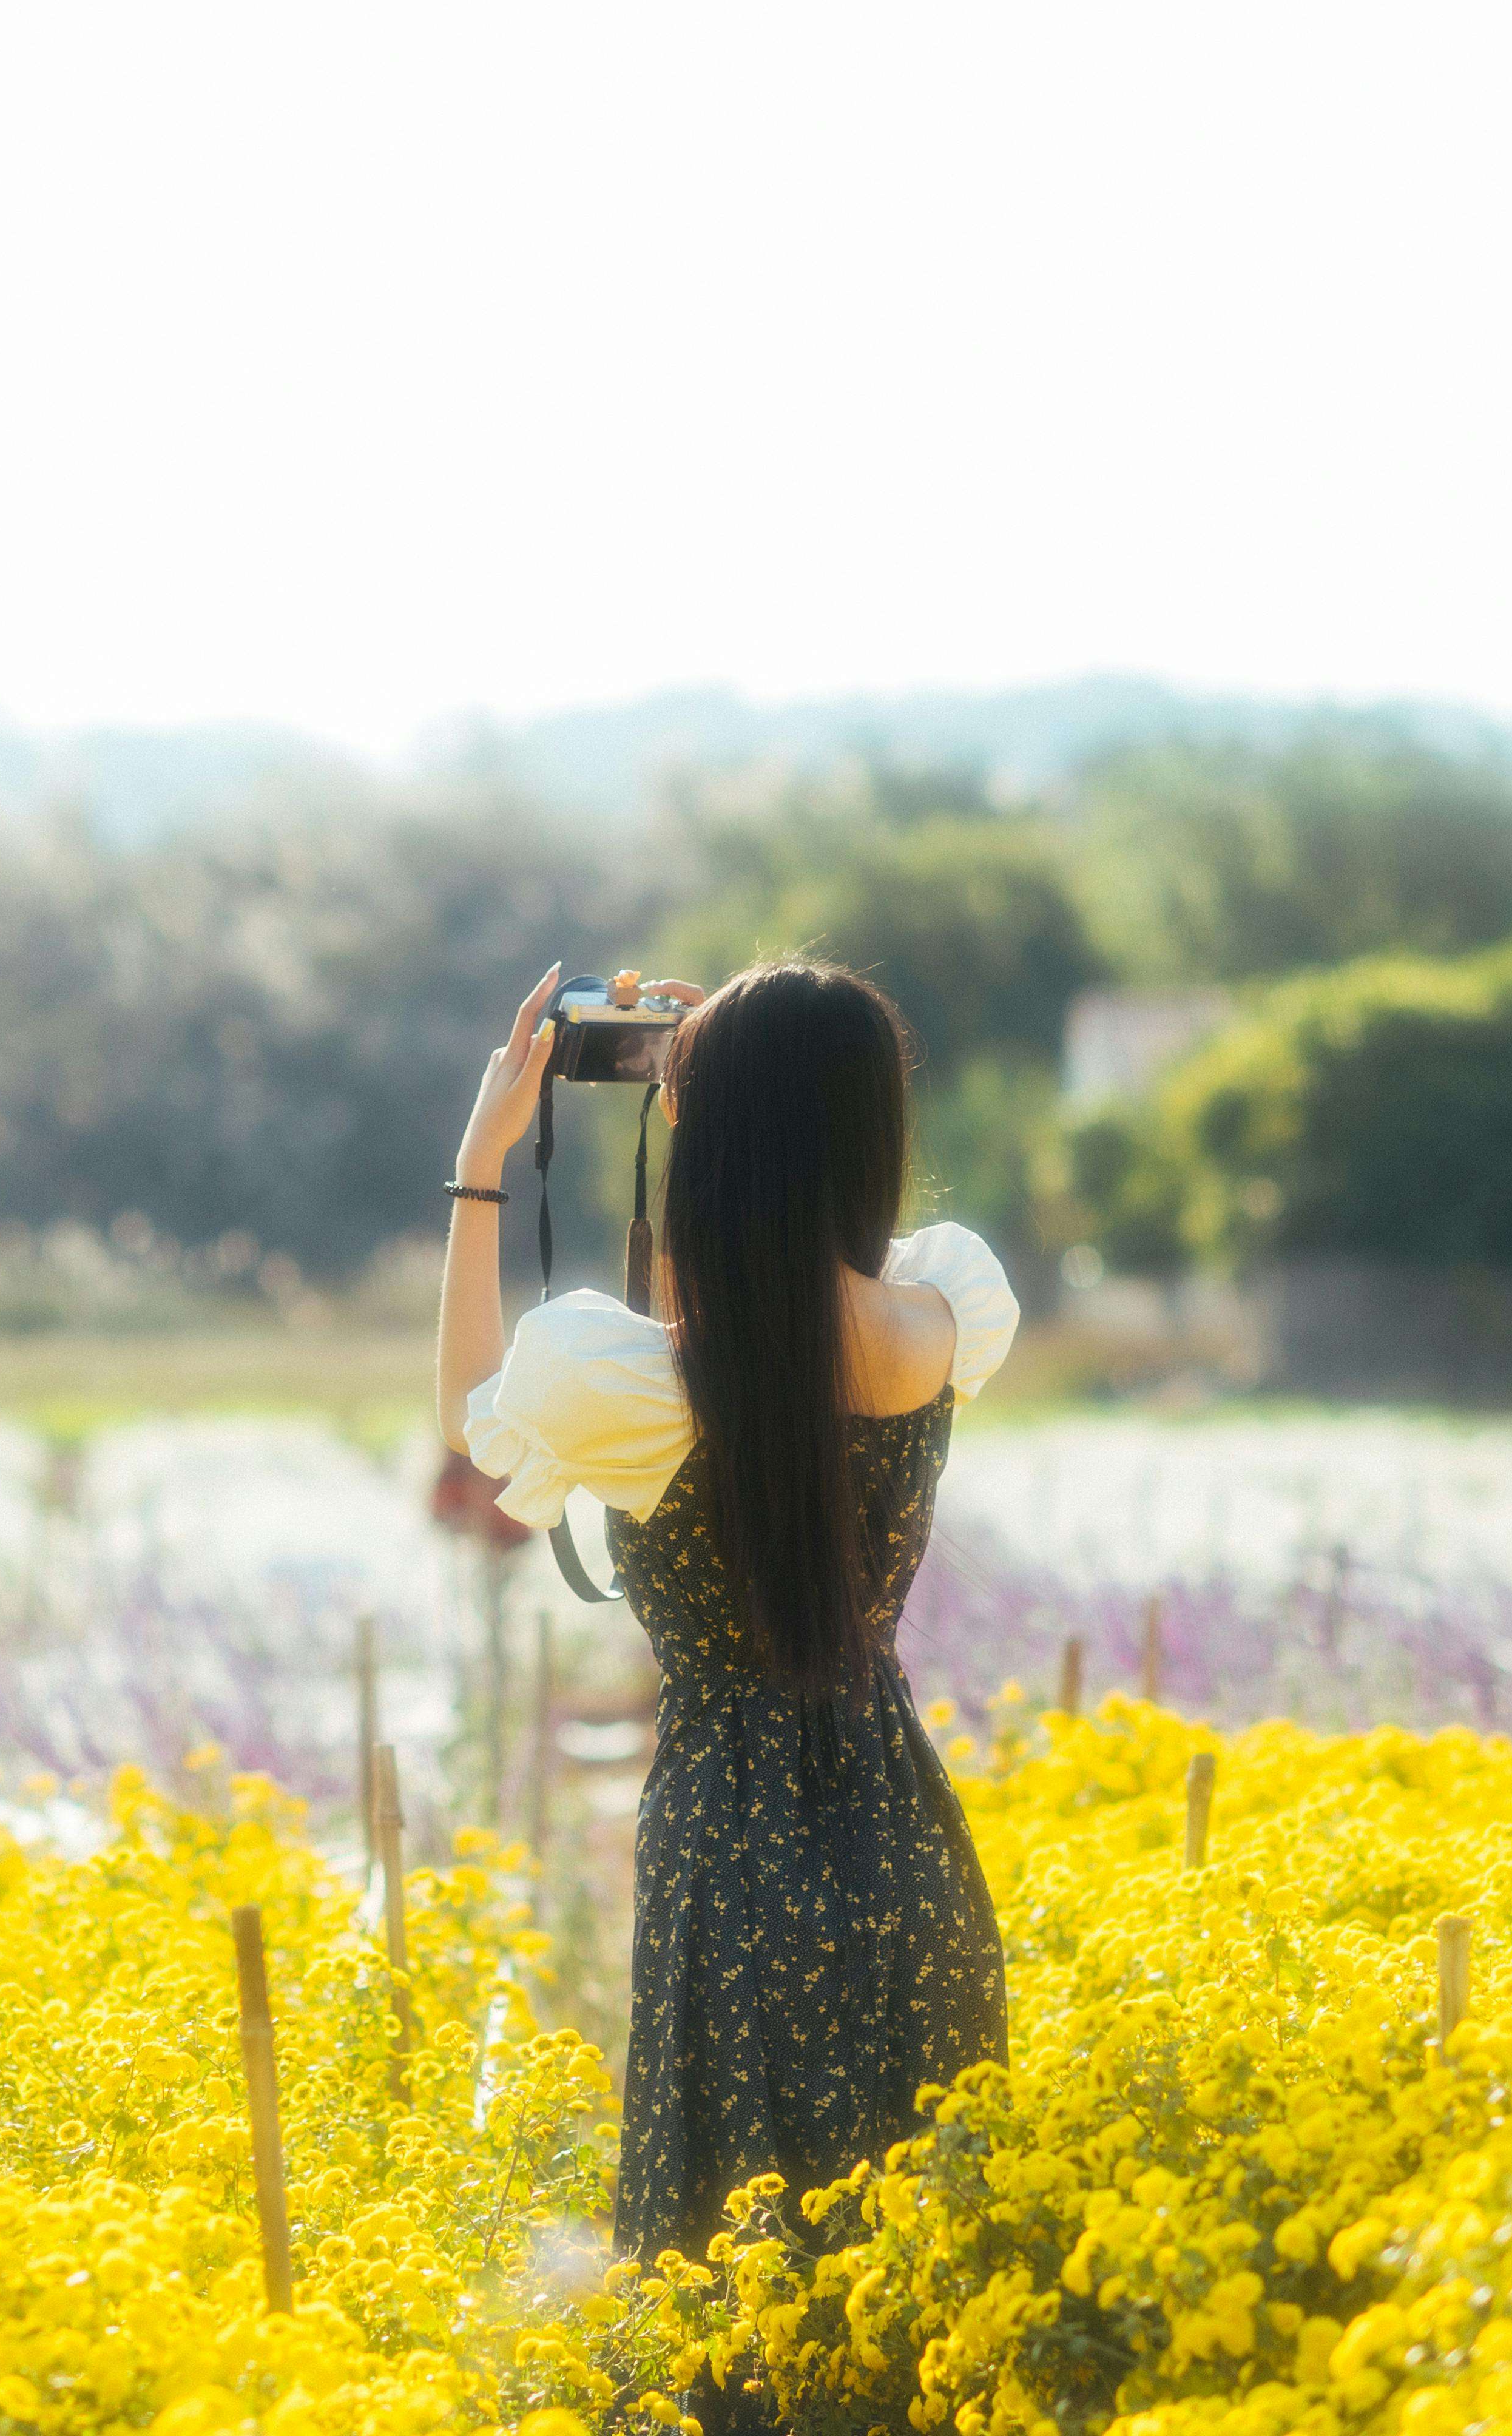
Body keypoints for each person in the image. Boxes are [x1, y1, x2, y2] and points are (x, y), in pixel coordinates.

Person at [434, 957, 1018, 2324]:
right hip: (905, 1828)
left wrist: (479, 1166)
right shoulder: (943, 1318)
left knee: (734, 2281)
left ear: (712, 1141)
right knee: (916, 2289)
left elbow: (470, 1411)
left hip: (733, 1850)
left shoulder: (630, 1385)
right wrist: (744, 1062)